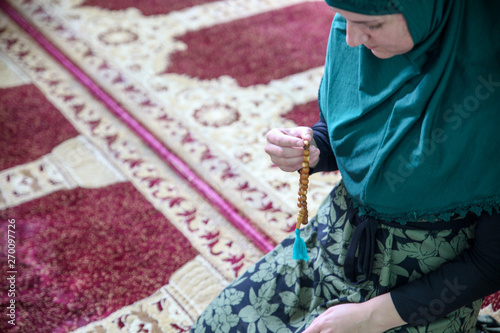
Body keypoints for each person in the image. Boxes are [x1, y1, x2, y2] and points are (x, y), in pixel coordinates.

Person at [190, 0, 500, 331]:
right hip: (333, 245)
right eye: (344, 18)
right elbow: (342, 133)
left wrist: (370, 317)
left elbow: (491, 262)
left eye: (373, 25)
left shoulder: (488, 91)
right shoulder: (352, 31)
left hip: (423, 293)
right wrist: (313, 148)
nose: (350, 39)